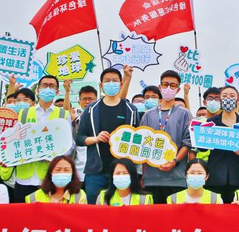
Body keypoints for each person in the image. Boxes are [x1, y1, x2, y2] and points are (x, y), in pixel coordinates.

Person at [77, 68, 141, 204]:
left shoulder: (131, 109)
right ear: (101, 85)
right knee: (94, 211)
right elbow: (80, 138)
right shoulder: (91, 109)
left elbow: (138, 138)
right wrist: (96, 138)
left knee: (122, 211)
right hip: (96, 171)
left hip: (123, 172)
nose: (111, 84)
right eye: (107, 81)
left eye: (115, 81)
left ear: (121, 84)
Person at [10, 75, 70, 203]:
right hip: (24, 176)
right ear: (37, 90)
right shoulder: (24, 113)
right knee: (23, 217)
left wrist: (57, 157)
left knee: (45, 219)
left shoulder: (63, 114)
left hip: (49, 177)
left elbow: (68, 144)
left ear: (57, 91)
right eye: (44, 85)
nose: (47, 88)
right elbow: (15, 139)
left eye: (51, 86)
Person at [142, 70, 193, 204]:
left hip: (176, 177)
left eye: (173, 85)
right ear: (160, 87)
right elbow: (141, 144)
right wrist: (142, 175)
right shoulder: (148, 115)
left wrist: (174, 161)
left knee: (176, 221)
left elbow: (187, 143)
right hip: (151, 178)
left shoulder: (185, 114)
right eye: (165, 85)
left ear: (178, 90)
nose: (168, 88)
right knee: (154, 220)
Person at [203, 85, 239, 203]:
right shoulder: (211, 122)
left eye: (232, 96)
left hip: (238, 174)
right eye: (224, 96)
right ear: (220, 100)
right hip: (215, 173)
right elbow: (202, 148)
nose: (228, 98)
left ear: (237, 99)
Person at [71, 85, 99, 182]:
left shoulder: (102, 120)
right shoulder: (74, 122)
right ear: (79, 102)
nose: (87, 102)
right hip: (78, 172)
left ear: (97, 100)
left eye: (91, 99)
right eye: (84, 99)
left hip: (97, 171)